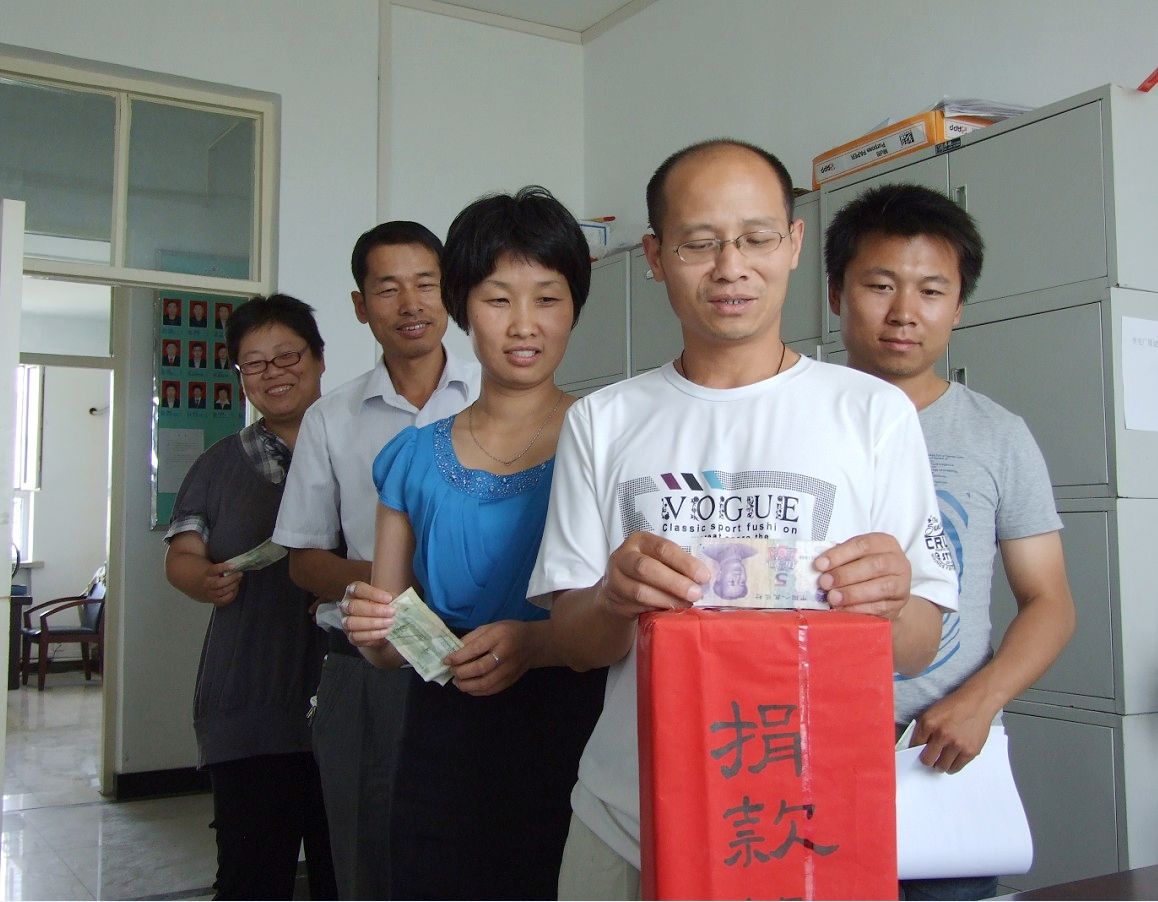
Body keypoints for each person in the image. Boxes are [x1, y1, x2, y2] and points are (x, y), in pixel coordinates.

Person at [525, 139, 959, 900]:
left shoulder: (872, 413)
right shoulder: (602, 420)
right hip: (628, 814)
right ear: (655, 257)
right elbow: (574, 644)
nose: (731, 267)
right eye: (699, 243)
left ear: (793, 244)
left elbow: (918, 645)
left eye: (756, 238)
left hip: (806, 815)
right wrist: (614, 600)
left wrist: (891, 599)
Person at [340, 187, 606, 900]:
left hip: (578, 727)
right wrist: (374, 632)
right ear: (461, 308)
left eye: (547, 299)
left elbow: (632, 616)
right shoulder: (411, 458)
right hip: (444, 734)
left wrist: (538, 644)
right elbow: (391, 639)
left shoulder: (612, 439)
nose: (524, 325)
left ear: (574, 307)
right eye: (497, 300)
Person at [825, 183, 1076, 900]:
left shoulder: (997, 436)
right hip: (800, 748)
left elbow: (1050, 601)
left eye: (932, 291)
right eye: (880, 286)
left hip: (936, 754)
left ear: (959, 306)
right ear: (837, 294)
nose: (905, 313)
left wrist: (981, 701)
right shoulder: (791, 420)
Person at [273, 221, 481, 899]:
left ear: (450, 292)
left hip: (484, 655)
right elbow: (305, 560)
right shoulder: (332, 418)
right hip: (369, 665)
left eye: (425, 284)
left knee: (482, 851)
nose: (410, 304)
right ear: (361, 306)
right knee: (370, 858)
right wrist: (399, 581)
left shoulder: (498, 394)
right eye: (388, 289)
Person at [163, 294, 336, 901]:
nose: (273, 373)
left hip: (349, 700)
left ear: (318, 358)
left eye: (288, 355)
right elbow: (181, 556)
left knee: (348, 878)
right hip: (250, 705)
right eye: (254, 363)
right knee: (250, 881)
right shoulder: (218, 465)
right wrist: (200, 578)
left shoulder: (363, 449)